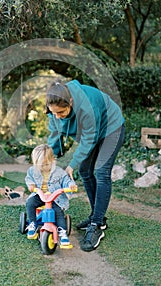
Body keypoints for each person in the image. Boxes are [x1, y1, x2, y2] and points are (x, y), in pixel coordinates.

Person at [45, 79, 125, 252]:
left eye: (61, 112)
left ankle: (97, 224)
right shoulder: (54, 111)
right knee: (85, 170)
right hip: (92, 133)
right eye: (53, 113)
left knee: (101, 171)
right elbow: (55, 136)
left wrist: (71, 165)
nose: (57, 116)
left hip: (111, 128)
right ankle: (97, 216)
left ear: (70, 103)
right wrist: (48, 161)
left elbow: (89, 139)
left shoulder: (86, 107)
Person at [25, 144, 77, 246]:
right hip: (40, 195)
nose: (43, 167)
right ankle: (33, 223)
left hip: (55, 198)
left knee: (57, 211)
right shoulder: (32, 170)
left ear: (53, 160)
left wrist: (71, 185)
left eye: (46, 164)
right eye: (40, 165)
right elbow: (29, 178)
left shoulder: (59, 172)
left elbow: (66, 180)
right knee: (30, 203)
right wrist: (31, 185)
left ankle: (62, 232)